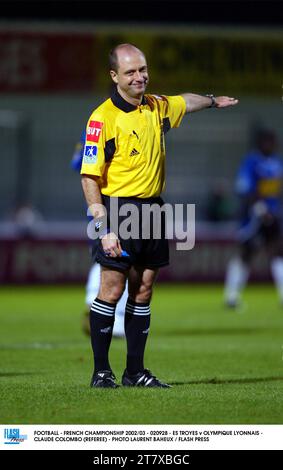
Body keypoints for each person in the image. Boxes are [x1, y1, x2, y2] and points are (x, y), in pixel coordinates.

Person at [80, 43, 238, 388]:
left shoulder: (156, 107)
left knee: (144, 288)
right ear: (114, 76)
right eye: (131, 72)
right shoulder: (102, 118)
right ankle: (101, 372)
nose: (140, 77)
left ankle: (135, 372)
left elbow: (185, 101)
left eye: (143, 69)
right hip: (118, 208)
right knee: (112, 287)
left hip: (153, 208)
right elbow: (89, 176)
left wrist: (212, 101)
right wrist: (102, 226)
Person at [71, 130, 127, 337]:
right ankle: (114, 315)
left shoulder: (92, 133)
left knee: (104, 258)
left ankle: (93, 304)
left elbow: (78, 164)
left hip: (101, 205)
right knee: (119, 258)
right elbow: (83, 169)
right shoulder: (104, 131)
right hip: (111, 204)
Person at [224, 129, 283, 308]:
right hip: (254, 216)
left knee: (278, 251)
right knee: (245, 253)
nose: (270, 145)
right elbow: (244, 187)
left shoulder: (277, 163)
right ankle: (231, 296)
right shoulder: (252, 161)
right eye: (267, 141)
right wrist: (259, 207)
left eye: (272, 141)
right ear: (260, 143)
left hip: (273, 215)